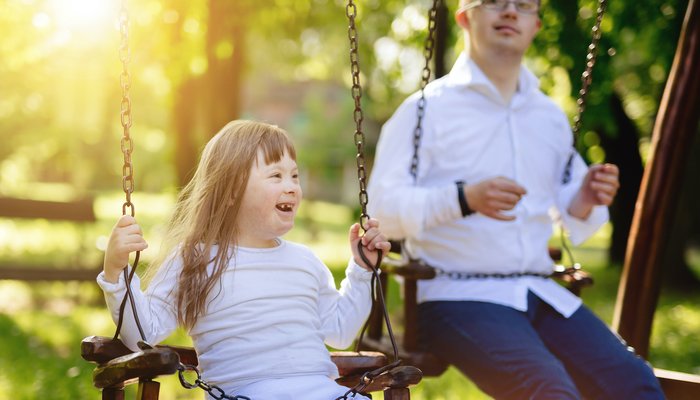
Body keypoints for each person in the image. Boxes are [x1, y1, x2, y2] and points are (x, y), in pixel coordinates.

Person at [367, 0, 665, 399]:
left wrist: (586, 195)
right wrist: (463, 198)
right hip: (456, 295)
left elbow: (568, 205)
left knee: (635, 383)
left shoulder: (548, 116)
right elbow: (381, 212)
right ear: (463, 17)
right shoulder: (424, 111)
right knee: (548, 391)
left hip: (538, 291)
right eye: (494, 2)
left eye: (522, 6)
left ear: (536, 25)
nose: (509, 12)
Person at [98, 120, 391, 399]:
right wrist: (116, 273)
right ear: (231, 191)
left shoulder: (305, 261)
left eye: (294, 175)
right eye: (276, 175)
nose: (290, 186)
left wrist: (363, 270)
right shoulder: (195, 260)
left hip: (324, 394)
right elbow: (142, 333)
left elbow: (341, 331)